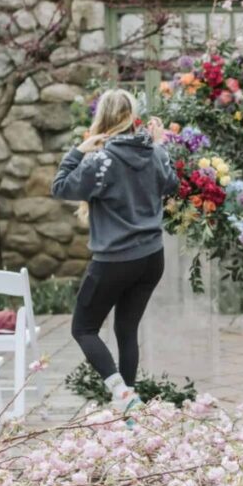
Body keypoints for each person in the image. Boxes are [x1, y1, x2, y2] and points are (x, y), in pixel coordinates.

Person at [51, 89, 178, 415]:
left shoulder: (100, 161)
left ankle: (122, 395)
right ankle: (131, 409)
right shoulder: (154, 152)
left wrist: (79, 150)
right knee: (126, 330)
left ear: (103, 118)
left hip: (115, 260)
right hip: (151, 258)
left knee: (83, 328)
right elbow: (172, 185)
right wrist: (161, 146)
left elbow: (61, 187)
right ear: (131, 115)